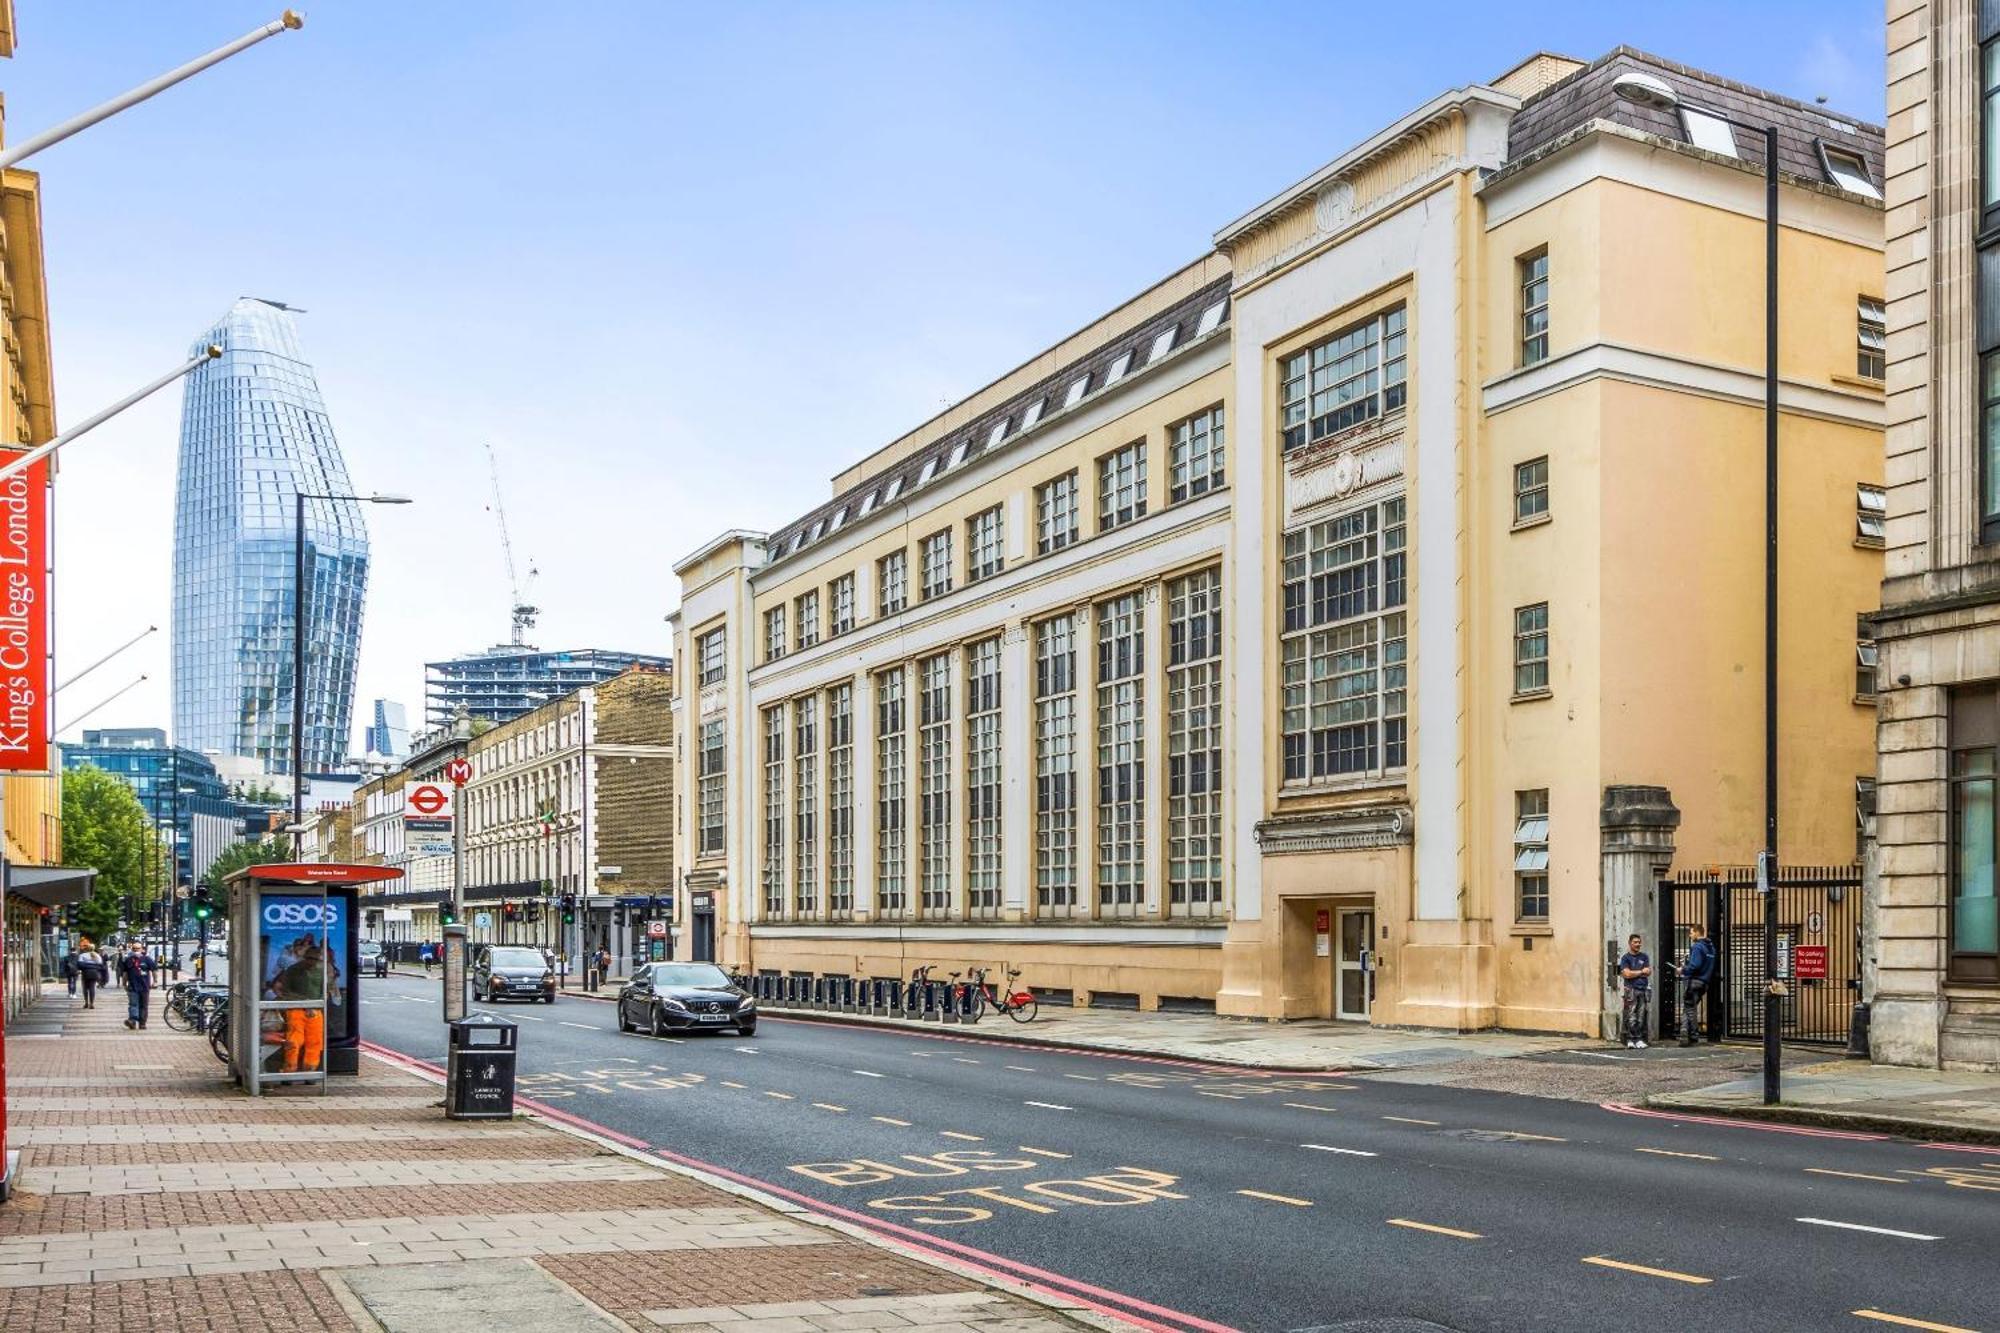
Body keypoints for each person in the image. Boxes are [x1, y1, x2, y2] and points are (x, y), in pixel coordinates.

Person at [1677, 924, 1716, 1047]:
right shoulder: (1711, 948)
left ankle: (1693, 1035)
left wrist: (1682, 970)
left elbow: (1695, 965)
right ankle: (1684, 1032)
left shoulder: (1697, 947)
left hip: (1693, 981)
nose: (1690, 935)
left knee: (1690, 1009)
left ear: (1698, 933)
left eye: (1691, 932)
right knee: (1689, 1007)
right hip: (1704, 983)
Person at [1617, 932, 1653, 1049]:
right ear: (1630, 943)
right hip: (1631, 990)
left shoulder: (1644, 957)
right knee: (1631, 1016)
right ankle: (1630, 1039)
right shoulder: (1625, 958)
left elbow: (1648, 971)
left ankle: (1638, 1039)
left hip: (1642, 990)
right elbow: (1626, 974)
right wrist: (1641, 972)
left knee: (1641, 1017)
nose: (1638, 944)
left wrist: (1636, 973)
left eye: (1639, 942)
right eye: (1635, 942)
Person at [120, 942, 155, 1030]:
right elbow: (125, 973)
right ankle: (132, 1021)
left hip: (144, 986)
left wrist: (155, 981)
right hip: (133, 986)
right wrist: (124, 983)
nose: (136, 950)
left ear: (142, 949)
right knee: (133, 1004)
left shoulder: (147, 959)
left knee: (143, 1005)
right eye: (134, 949)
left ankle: (142, 1023)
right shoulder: (128, 960)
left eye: (138, 948)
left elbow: (154, 970)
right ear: (132, 950)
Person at [76, 939, 104, 1009]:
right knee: (92, 988)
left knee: (85, 988)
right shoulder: (97, 956)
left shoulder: (82, 955)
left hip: (85, 973)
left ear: (87, 948)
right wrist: (94, 966)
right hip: (94, 973)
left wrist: (86, 965)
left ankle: (86, 1003)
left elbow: (80, 965)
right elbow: (100, 965)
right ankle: (92, 1003)